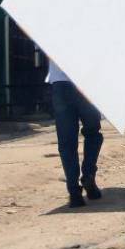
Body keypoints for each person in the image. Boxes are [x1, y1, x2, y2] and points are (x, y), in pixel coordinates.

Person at [47, 59, 103, 209]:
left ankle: (74, 192)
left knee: (66, 142)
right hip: (87, 81)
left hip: (60, 85)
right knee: (93, 132)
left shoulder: (52, 34)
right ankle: (89, 175)